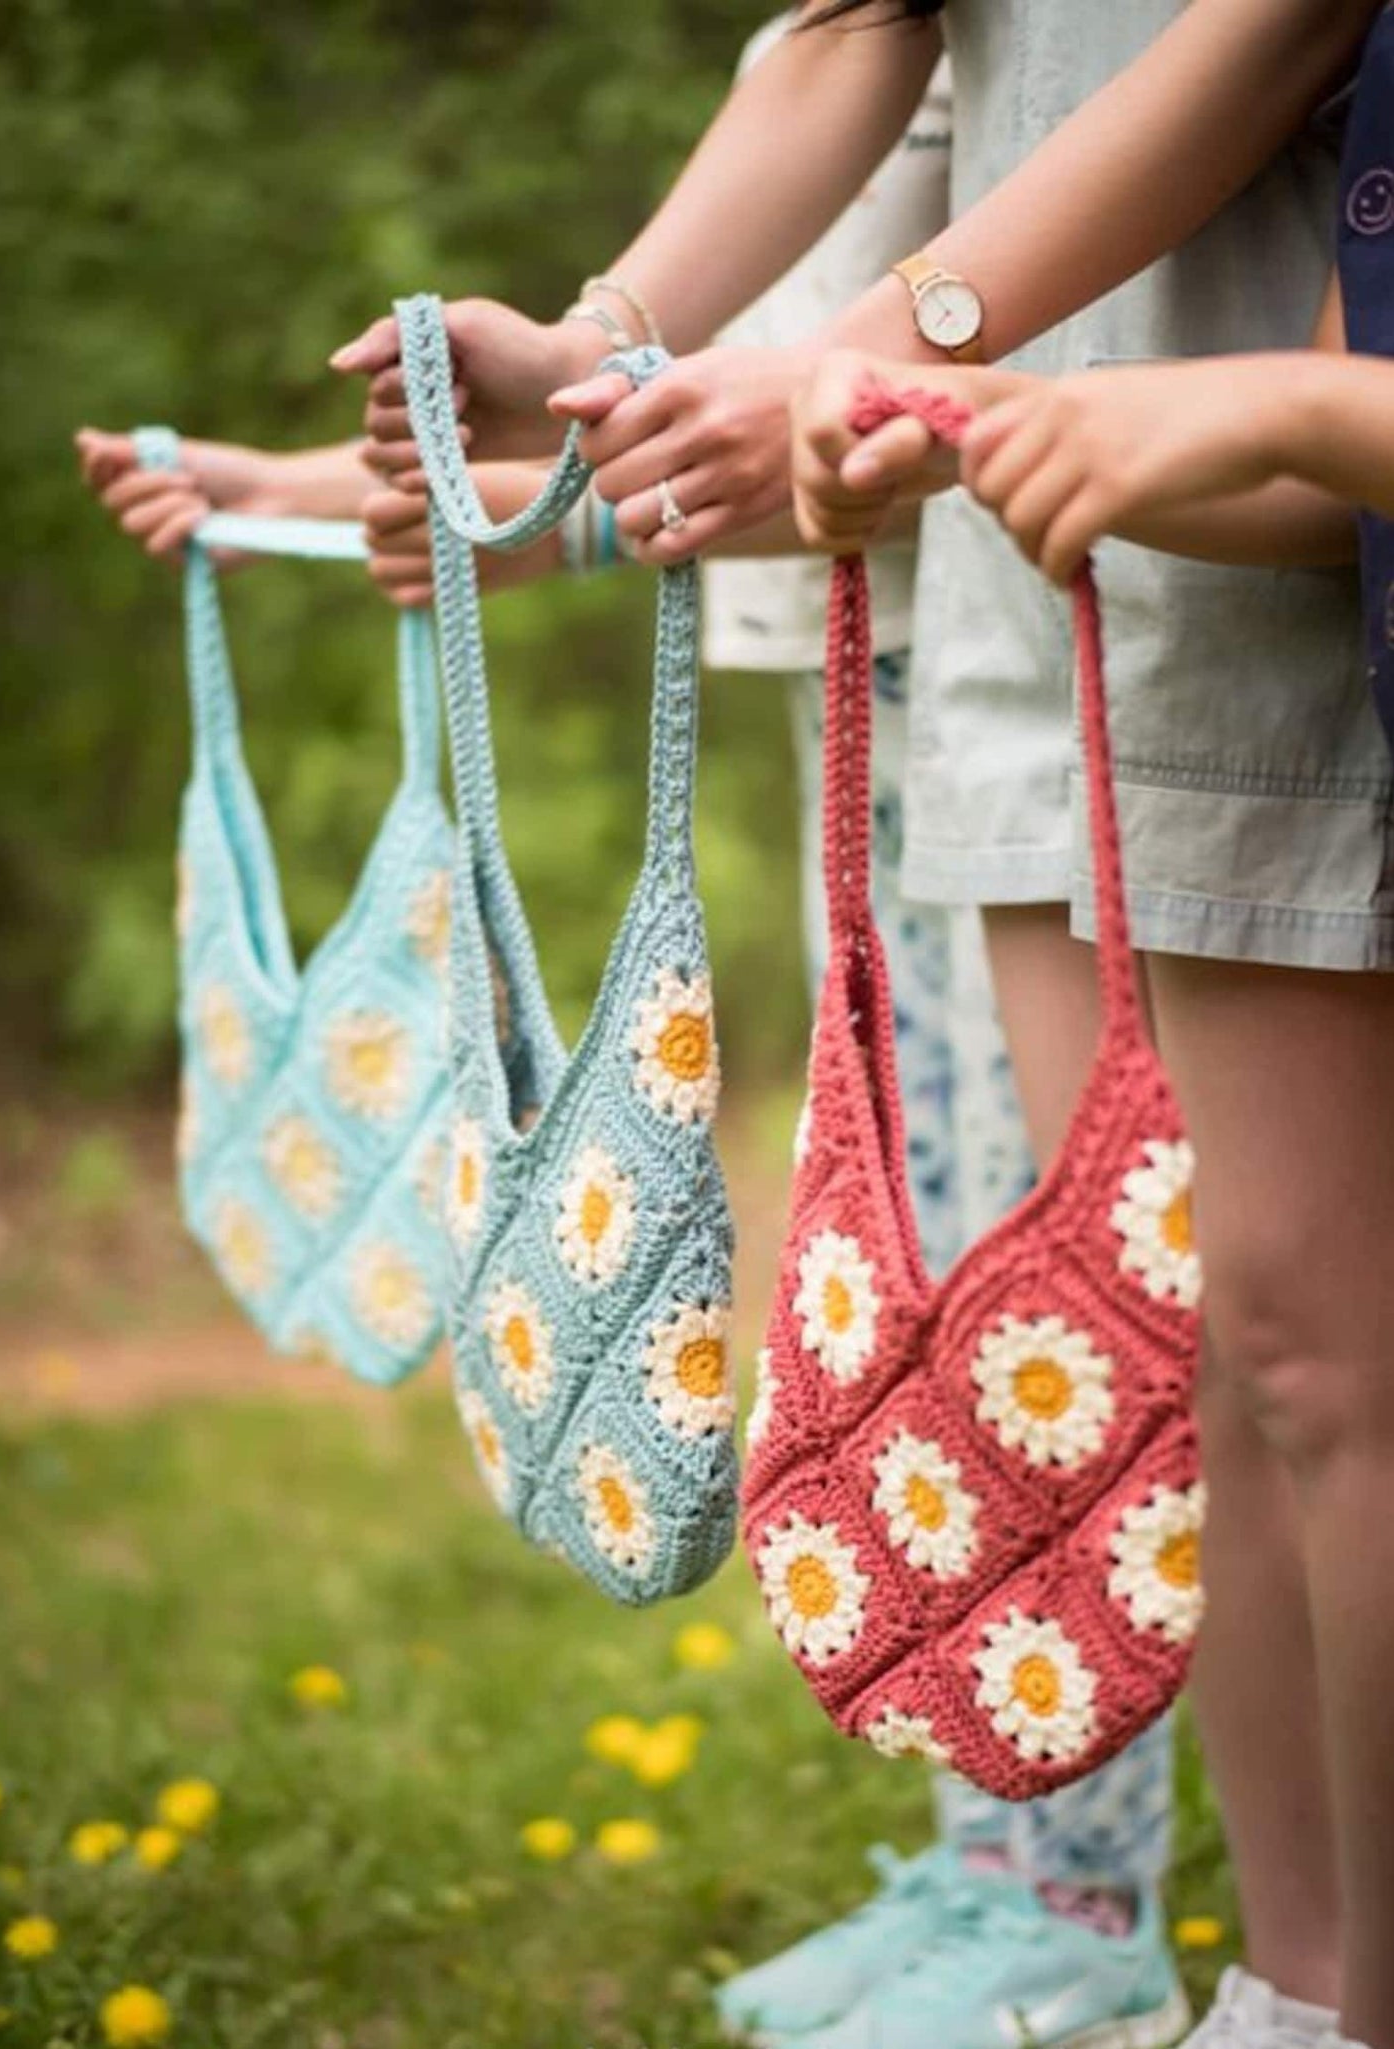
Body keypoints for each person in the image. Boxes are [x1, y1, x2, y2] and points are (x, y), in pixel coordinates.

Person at [342, 4, 1394, 2048]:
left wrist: (881, 344)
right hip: (1004, 524)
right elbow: (860, 19)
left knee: (1322, 1350)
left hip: (1238, 457)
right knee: (1193, 1347)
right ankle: (1289, 1984)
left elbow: (1280, 24)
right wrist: (603, 334)